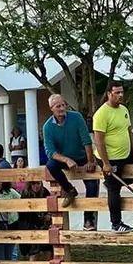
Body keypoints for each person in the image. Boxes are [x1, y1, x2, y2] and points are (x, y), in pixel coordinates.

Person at [42, 94, 99, 230]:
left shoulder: (76, 117)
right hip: (65, 158)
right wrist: (66, 159)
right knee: (50, 164)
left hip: (82, 156)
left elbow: (86, 139)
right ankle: (69, 189)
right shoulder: (47, 127)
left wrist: (90, 161)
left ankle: (88, 219)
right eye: (58, 106)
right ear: (52, 108)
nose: (62, 108)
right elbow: (50, 151)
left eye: (63, 105)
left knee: (92, 185)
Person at [92, 82, 133, 233]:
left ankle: (109, 183)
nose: (120, 95)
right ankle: (116, 223)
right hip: (111, 157)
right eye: (117, 93)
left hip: (126, 154)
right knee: (115, 189)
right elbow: (99, 140)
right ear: (109, 94)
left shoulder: (123, 110)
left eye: (122, 92)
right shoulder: (101, 114)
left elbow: (129, 131)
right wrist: (105, 163)